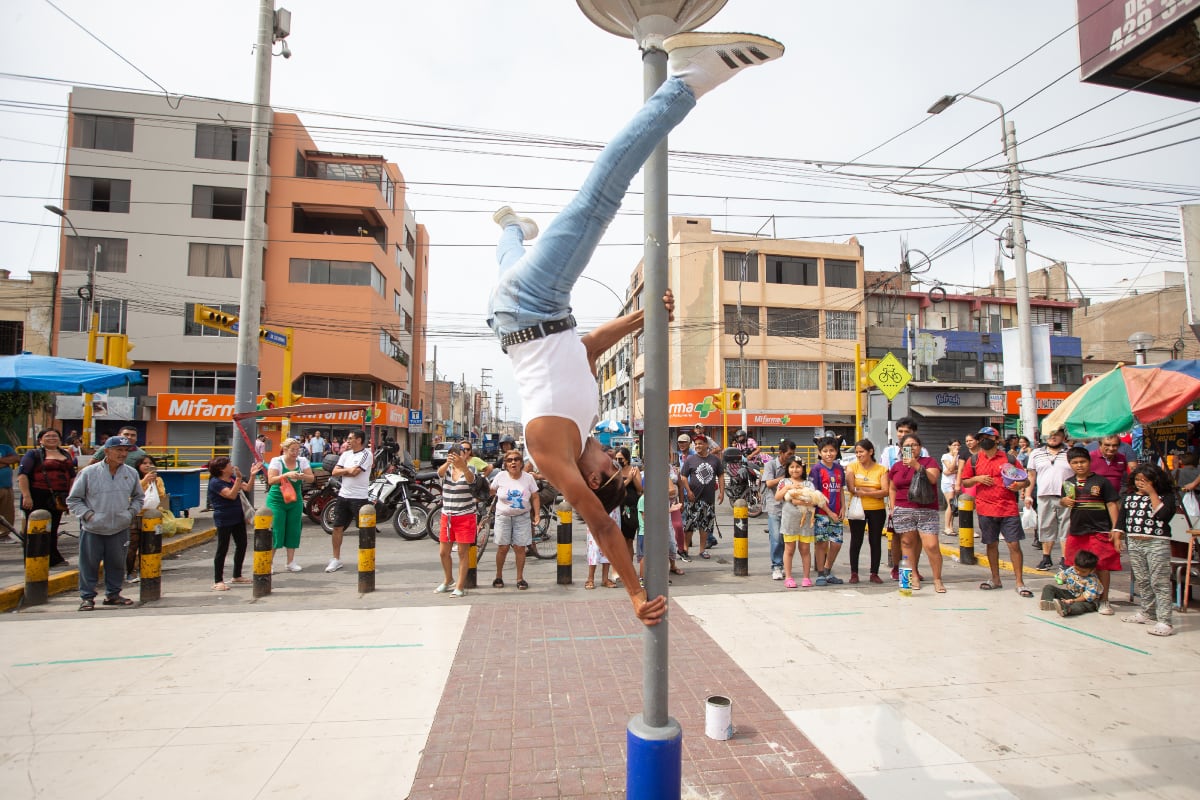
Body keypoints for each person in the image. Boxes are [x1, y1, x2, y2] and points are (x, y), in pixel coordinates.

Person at [487, 31, 782, 624]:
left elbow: (601, 524)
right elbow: (588, 345)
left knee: (602, 195)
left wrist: (633, 592)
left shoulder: (551, 452)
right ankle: (511, 228)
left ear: (593, 479)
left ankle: (686, 81)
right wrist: (646, 315)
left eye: (610, 467)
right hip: (522, 315)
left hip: (531, 305)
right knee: (519, 258)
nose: (611, 456)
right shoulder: (583, 416)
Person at [65, 435, 143, 610]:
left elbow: (139, 497)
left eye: (126, 450)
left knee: (117, 563)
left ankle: (113, 595)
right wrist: (88, 515)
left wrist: (129, 514)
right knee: (89, 564)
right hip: (93, 528)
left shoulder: (131, 473)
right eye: (119, 450)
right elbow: (74, 499)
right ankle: (87, 597)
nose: (123, 454)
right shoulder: (89, 473)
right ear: (107, 451)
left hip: (120, 528)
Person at [961, 426, 1033, 597]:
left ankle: (1019, 582)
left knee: (1013, 544)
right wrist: (977, 478)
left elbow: (1025, 481)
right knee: (991, 544)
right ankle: (995, 579)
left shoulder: (1008, 459)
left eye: (988, 437)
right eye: (981, 437)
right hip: (985, 508)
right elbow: (965, 482)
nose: (984, 440)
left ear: (997, 439)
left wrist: (1018, 485)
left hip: (1008, 508)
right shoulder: (974, 460)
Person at [1116, 464, 1177, 636]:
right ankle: (1147, 612)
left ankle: (1165, 620)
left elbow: (1163, 516)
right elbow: (1122, 519)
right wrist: (1118, 535)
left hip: (1156, 542)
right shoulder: (1129, 497)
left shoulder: (1166, 497)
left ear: (1155, 481)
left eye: (1145, 480)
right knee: (1142, 579)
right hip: (1134, 541)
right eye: (1137, 479)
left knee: (1159, 581)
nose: (1140, 483)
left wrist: (1152, 493)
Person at [1061, 445, 1121, 615]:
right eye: (1075, 462)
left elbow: (1112, 504)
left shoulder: (1102, 482)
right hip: (1077, 530)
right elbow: (1063, 501)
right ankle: (1083, 597)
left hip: (1100, 529)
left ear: (1089, 461)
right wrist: (1063, 502)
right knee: (1076, 565)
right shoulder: (1068, 483)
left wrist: (1116, 529)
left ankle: (1104, 599)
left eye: (1083, 461)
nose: (1079, 465)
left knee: (1102, 565)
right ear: (1070, 464)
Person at [887, 433, 945, 592]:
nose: (911, 448)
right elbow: (892, 488)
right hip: (903, 508)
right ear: (901, 449)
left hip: (926, 508)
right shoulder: (896, 466)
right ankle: (911, 578)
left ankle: (937, 579)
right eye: (907, 446)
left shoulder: (929, 461)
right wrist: (892, 507)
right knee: (907, 543)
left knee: (932, 545)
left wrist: (916, 465)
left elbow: (933, 479)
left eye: (914, 445)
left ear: (920, 447)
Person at [18, 428, 77, 567]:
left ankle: (53, 558)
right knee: (35, 529)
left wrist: (71, 495)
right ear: (40, 440)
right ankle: (33, 559)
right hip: (37, 495)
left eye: (55, 436)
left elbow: (72, 476)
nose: (52, 438)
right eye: (48, 436)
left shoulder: (65, 454)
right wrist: (26, 496)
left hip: (58, 497)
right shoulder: (33, 454)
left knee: (53, 528)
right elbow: (22, 475)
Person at [880, 417, 927, 578]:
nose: (903, 434)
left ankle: (914, 569)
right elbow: (886, 476)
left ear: (915, 433)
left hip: (917, 501)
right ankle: (897, 567)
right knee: (897, 535)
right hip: (897, 501)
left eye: (907, 431)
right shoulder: (889, 452)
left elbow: (927, 473)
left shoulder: (923, 452)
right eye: (900, 431)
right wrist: (891, 504)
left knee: (916, 537)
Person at [206, 456, 260, 591]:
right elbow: (231, 495)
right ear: (221, 469)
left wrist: (252, 475)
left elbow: (247, 488)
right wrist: (238, 479)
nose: (232, 466)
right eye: (229, 464)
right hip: (224, 518)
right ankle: (218, 580)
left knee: (242, 544)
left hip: (238, 517)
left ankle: (237, 575)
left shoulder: (231, 479)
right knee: (222, 548)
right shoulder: (215, 482)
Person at [1025, 426, 1075, 571]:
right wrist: (1028, 495)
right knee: (1045, 526)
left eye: (1057, 434)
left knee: (1067, 528)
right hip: (1044, 495)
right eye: (1050, 434)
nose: (1053, 437)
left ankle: (1065, 559)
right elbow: (1031, 476)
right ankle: (1046, 558)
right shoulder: (1036, 453)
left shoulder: (1070, 453)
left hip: (1066, 496)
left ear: (1063, 436)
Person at [491, 448, 540, 590]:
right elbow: (491, 491)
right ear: (505, 464)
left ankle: (520, 578)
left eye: (516, 459)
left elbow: (535, 496)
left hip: (522, 517)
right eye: (509, 460)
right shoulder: (500, 476)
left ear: (521, 463)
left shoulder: (528, 478)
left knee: (520, 548)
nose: (513, 462)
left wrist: (537, 514)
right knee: (503, 547)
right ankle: (498, 576)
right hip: (503, 517)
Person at [327, 429, 373, 573]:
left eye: (350, 438)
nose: (348, 441)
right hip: (343, 496)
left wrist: (345, 471)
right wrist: (348, 470)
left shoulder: (366, 454)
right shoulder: (345, 454)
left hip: (359, 498)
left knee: (364, 530)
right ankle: (335, 559)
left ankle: (366, 558)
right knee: (337, 527)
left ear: (359, 440)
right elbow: (335, 472)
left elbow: (355, 473)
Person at [436, 444, 480, 597]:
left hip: (465, 516)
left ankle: (460, 586)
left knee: (462, 552)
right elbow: (439, 473)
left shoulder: (471, 469)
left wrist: (463, 467)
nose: (455, 456)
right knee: (443, 552)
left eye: (459, 453)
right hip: (447, 516)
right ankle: (448, 579)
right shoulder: (447, 469)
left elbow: (471, 480)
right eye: (452, 453)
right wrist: (448, 463)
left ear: (466, 455)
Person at [265, 437, 314, 572]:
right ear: (285, 449)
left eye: (298, 450)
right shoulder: (277, 461)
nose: (295, 453)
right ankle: (269, 562)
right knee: (277, 529)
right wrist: (286, 475)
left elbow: (311, 478)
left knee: (294, 529)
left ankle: (290, 561)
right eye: (292, 450)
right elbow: (271, 480)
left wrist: (301, 476)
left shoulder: (302, 461)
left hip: (294, 499)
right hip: (277, 500)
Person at [846, 438, 889, 584]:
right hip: (857, 509)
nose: (859, 455)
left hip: (877, 509)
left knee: (875, 540)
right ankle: (854, 573)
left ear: (870, 452)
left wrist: (864, 491)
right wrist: (874, 490)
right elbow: (852, 488)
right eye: (857, 452)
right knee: (856, 540)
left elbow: (885, 491)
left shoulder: (881, 469)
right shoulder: (852, 467)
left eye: (861, 452)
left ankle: (874, 572)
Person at [809, 437, 847, 585]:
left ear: (836, 451)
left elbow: (841, 489)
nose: (829, 453)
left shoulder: (839, 469)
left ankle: (827, 570)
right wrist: (829, 512)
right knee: (822, 543)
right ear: (820, 452)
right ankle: (820, 574)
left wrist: (843, 506)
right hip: (822, 513)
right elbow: (815, 495)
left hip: (837, 513)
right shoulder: (816, 470)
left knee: (836, 543)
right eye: (825, 451)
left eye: (832, 450)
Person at [681, 434, 724, 560]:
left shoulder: (715, 460)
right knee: (689, 526)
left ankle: (702, 550)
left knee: (705, 526)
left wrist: (722, 492)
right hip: (693, 499)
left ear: (706, 445)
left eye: (700, 443)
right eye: (696, 444)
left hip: (708, 499)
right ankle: (685, 549)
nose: (698, 446)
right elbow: (683, 477)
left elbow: (721, 476)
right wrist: (688, 491)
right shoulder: (690, 460)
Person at [126, 455, 168, 583]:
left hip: (152, 516)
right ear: (138, 465)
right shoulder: (134, 478)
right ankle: (129, 572)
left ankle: (144, 570)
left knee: (148, 545)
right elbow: (130, 494)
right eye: (144, 463)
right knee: (132, 545)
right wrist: (144, 481)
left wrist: (153, 483)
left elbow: (162, 496)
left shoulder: (158, 479)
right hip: (135, 515)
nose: (147, 465)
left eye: (150, 463)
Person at [776, 458, 816, 588]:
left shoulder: (809, 484)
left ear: (803, 468)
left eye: (798, 467)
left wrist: (797, 501)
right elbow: (777, 497)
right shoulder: (784, 482)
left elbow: (814, 501)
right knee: (789, 549)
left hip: (806, 521)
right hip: (789, 521)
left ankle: (806, 577)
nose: (795, 469)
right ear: (787, 469)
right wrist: (788, 487)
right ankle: (788, 577)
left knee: (805, 549)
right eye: (792, 467)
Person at [761, 438, 797, 580]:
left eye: (793, 454)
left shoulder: (793, 466)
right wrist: (784, 478)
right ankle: (776, 566)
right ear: (781, 453)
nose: (792, 456)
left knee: (786, 539)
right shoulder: (770, 465)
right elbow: (769, 483)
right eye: (789, 454)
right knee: (776, 537)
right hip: (774, 506)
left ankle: (784, 566)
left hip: (789, 506)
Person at [1039, 549, 1102, 617]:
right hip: (1071, 594)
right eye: (1076, 569)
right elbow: (1063, 575)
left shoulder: (1092, 581)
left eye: (1083, 572)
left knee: (1080, 606)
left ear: (1092, 571)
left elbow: (1087, 597)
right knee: (1049, 587)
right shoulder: (1072, 570)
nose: (1078, 572)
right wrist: (1060, 579)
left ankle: (1067, 609)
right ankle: (1048, 602)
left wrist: (1073, 601)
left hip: (1086, 601)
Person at [614, 446, 643, 558]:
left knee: (629, 539)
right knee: (619, 539)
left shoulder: (634, 470)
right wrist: (629, 479)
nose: (618, 461)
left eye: (620, 459)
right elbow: (617, 488)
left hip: (630, 508)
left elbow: (640, 489)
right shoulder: (615, 470)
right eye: (616, 459)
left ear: (627, 459)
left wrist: (633, 478)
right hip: (617, 507)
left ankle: (629, 565)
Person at [940, 440, 960, 536]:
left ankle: (951, 526)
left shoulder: (960, 457)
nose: (956, 447)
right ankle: (946, 527)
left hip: (955, 482)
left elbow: (960, 470)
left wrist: (954, 470)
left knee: (954, 505)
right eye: (954, 445)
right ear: (949, 446)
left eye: (958, 445)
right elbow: (950, 469)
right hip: (947, 483)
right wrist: (955, 457)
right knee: (950, 504)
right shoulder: (945, 456)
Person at [0, 439, 18, 533]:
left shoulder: (5, 447)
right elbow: (10, 460)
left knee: (7, 512)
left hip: (6, 486)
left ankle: (4, 534)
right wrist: (6, 461)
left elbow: (16, 459)